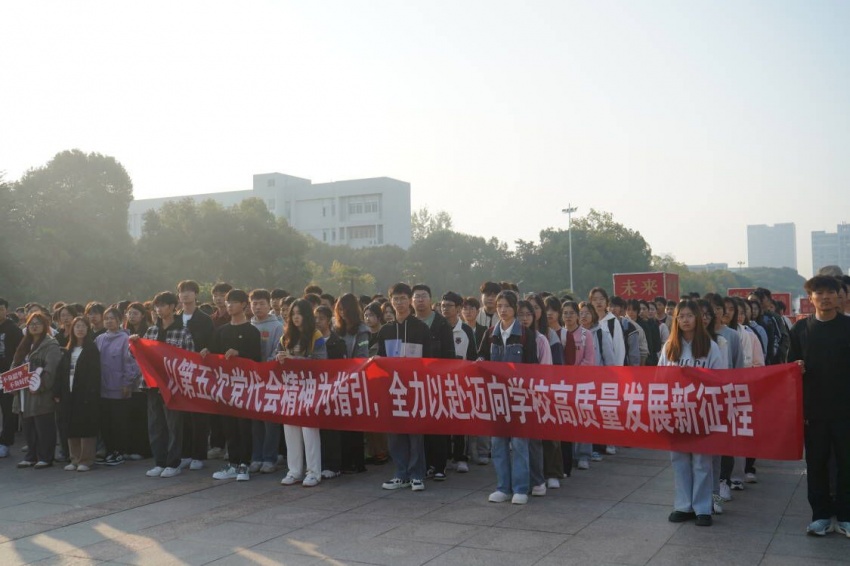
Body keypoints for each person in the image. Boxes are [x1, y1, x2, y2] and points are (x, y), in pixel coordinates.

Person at [788, 275, 850, 537]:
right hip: (813, 410)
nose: (825, 297)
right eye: (819, 293)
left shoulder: (848, 326)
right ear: (810, 298)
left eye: (830, 292)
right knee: (816, 464)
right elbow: (790, 366)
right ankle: (821, 516)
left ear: (839, 296)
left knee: (847, 464)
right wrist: (796, 367)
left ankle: (846, 516)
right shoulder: (800, 329)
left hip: (846, 409)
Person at [660, 300, 726, 527]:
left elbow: (719, 380)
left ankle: (702, 508)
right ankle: (683, 506)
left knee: (701, 460)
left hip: (701, 411)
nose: (685, 320)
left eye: (689, 315)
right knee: (679, 459)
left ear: (698, 318)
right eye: (681, 316)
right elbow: (660, 379)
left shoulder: (710, 347)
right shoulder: (669, 347)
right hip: (676, 410)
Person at [479, 291, 538, 505]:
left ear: (515, 308)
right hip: (496, 396)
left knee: (520, 443)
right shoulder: (490, 334)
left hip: (519, 396)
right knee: (498, 443)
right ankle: (503, 487)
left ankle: (520, 488)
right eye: (499, 306)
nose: (502, 310)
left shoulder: (525, 334)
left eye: (507, 306)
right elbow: (482, 357)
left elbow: (532, 366)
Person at [131, 291, 195, 479]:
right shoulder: (151, 331)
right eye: (156, 306)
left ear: (173, 307)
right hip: (152, 384)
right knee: (155, 424)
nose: (159, 309)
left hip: (173, 386)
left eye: (163, 305)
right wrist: (134, 345)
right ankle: (159, 462)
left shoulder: (182, 331)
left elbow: (190, 358)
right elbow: (138, 357)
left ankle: (173, 463)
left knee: (173, 425)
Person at [203, 289, 262, 482]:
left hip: (244, 387)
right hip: (225, 387)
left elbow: (257, 358)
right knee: (229, 426)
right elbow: (213, 354)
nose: (229, 305)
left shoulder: (252, 331)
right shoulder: (221, 331)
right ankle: (233, 463)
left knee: (244, 426)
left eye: (234, 302)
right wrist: (206, 352)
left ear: (244, 305)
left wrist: (239, 353)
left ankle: (245, 464)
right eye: (228, 302)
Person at [377, 283, 431, 492]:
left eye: (402, 298)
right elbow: (380, 358)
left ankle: (417, 474)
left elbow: (429, 360)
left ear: (410, 300)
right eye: (395, 299)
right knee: (395, 431)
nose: (399, 302)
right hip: (393, 387)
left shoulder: (421, 328)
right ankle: (401, 474)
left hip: (415, 386)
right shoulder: (386, 330)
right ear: (390, 302)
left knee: (415, 431)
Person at [277, 298, 327, 487]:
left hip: (310, 389)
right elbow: (273, 358)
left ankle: (313, 472)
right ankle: (294, 471)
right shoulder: (285, 337)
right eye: (293, 314)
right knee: (290, 430)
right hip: (290, 390)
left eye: (299, 314)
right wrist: (279, 357)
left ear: (307, 315)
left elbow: (321, 362)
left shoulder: (316, 335)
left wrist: (295, 359)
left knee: (309, 430)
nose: (296, 318)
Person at [412, 284, 455, 482]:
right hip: (414, 380)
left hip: (437, 379)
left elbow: (449, 354)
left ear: (431, 299)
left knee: (437, 422)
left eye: (423, 296)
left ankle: (439, 465)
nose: (420, 300)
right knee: (420, 424)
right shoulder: (409, 323)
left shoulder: (441, 323)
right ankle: (425, 463)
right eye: (417, 296)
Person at [12, 312, 62, 468]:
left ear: (45, 326)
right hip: (23, 394)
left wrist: (39, 386)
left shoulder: (51, 345)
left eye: (38, 323)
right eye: (31, 324)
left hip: (41, 394)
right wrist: (11, 383)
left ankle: (45, 457)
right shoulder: (24, 343)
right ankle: (31, 456)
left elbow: (51, 369)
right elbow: (15, 365)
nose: (34, 326)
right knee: (28, 427)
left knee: (43, 426)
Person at [177, 280, 215, 472]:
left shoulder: (204, 319)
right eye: (182, 291)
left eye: (189, 291)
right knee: (182, 414)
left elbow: (211, 343)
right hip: (179, 372)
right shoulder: (175, 318)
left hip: (199, 372)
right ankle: (185, 454)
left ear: (196, 294)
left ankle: (199, 455)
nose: (185, 294)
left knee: (199, 414)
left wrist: (207, 350)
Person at [54, 316, 101, 471]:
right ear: (72, 330)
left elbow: (95, 374)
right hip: (68, 393)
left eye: (83, 326)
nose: (80, 329)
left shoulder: (91, 349)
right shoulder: (69, 350)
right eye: (77, 326)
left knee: (85, 426)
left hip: (85, 395)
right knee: (71, 426)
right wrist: (57, 392)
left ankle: (86, 460)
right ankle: (74, 459)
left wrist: (90, 393)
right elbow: (60, 373)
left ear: (88, 329)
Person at [247, 289, 285, 475]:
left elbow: (277, 352)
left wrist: (264, 367)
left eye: (262, 303)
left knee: (270, 420)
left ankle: (270, 458)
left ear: (269, 305)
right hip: (252, 380)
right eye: (254, 303)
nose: (258, 307)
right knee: (255, 421)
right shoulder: (249, 325)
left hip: (271, 379)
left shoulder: (277, 326)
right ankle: (256, 456)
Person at [439, 291, 476, 474]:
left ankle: (460, 457)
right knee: (443, 420)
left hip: (461, 382)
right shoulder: (437, 328)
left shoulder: (466, 330)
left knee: (460, 420)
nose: (445, 309)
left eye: (449, 306)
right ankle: (445, 456)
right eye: (443, 305)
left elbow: (473, 357)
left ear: (459, 308)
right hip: (440, 382)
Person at [95, 307, 137, 466]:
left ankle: (119, 451)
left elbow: (130, 363)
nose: (109, 321)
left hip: (119, 387)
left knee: (119, 421)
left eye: (112, 318)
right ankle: (109, 450)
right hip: (102, 387)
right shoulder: (99, 339)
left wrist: (127, 383)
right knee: (105, 422)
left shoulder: (125, 339)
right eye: (106, 318)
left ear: (119, 320)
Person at [334, 293, 371, 473]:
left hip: (355, 379)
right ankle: (344, 461)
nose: (342, 313)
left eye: (345, 309)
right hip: (337, 380)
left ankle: (357, 461)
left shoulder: (362, 330)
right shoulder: (336, 329)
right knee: (340, 422)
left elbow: (362, 355)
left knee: (354, 422)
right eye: (339, 309)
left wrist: (348, 368)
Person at [0, 298, 24, 458]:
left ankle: (5, 443)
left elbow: (21, 351)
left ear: (6, 310)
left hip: (8, 375)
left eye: (1, 309)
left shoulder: (13, 329)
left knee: (8, 410)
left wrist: (16, 372)